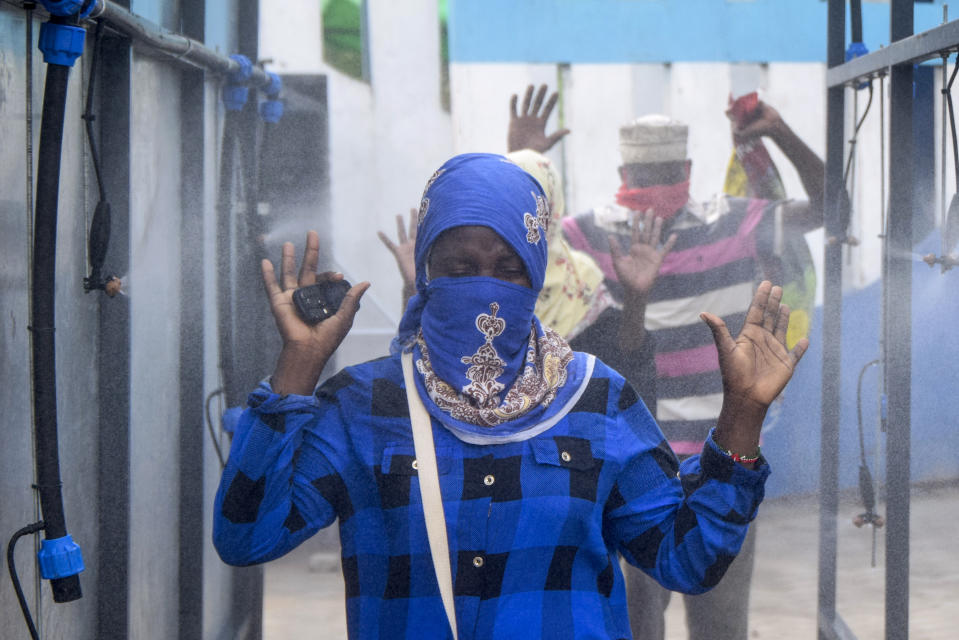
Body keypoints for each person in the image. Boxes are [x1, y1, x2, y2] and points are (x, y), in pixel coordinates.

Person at [213, 152, 808, 639]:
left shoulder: (597, 400)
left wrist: (742, 415)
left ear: (536, 271)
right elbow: (248, 537)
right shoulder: (363, 407)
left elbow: (688, 560)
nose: (486, 287)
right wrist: (298, 364)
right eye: (460, 265)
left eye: (508, 268)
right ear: (425, 272)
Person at [537, 93, 827, 639]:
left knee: (710, 625)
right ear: (626, 171)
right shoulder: (581, 239)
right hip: (640, 473)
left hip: (713, 464)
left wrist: (778, 134)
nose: (656, 186)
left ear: (687, 169)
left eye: (663, 172)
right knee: (647, 625)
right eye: (649, 174)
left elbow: (834, 207)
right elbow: (521, 246)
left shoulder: (737, 221)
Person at [378, 146, 673, 411]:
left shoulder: (582, 289)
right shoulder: (371, 397)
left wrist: (636, 300)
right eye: (460, 271)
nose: (488, 291)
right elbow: (415, 356)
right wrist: (416, 286)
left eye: (509, 270)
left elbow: (627, 377)